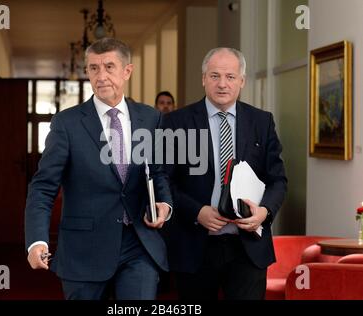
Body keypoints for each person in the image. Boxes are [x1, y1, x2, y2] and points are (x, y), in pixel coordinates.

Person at [25, 37, 173, 300]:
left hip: (139, 244)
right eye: (93, 68)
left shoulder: (150, 118)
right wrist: (37, 240)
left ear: (127, 71)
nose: (101, 76)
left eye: (109, 67)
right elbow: (43, 187)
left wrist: (164, 204)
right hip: (84, 249)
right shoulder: (66, 123)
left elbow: (158, 172)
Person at [161, 47, 287, 300]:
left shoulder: (261, 122)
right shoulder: (177, 122)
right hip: (195, 245)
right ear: (203, 79)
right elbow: (164, 180)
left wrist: (265, 213)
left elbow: (278, 180)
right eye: (215, 75)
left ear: (242, 81)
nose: (222, 84)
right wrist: (197, 212)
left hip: (248, 247)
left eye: (230, 77)